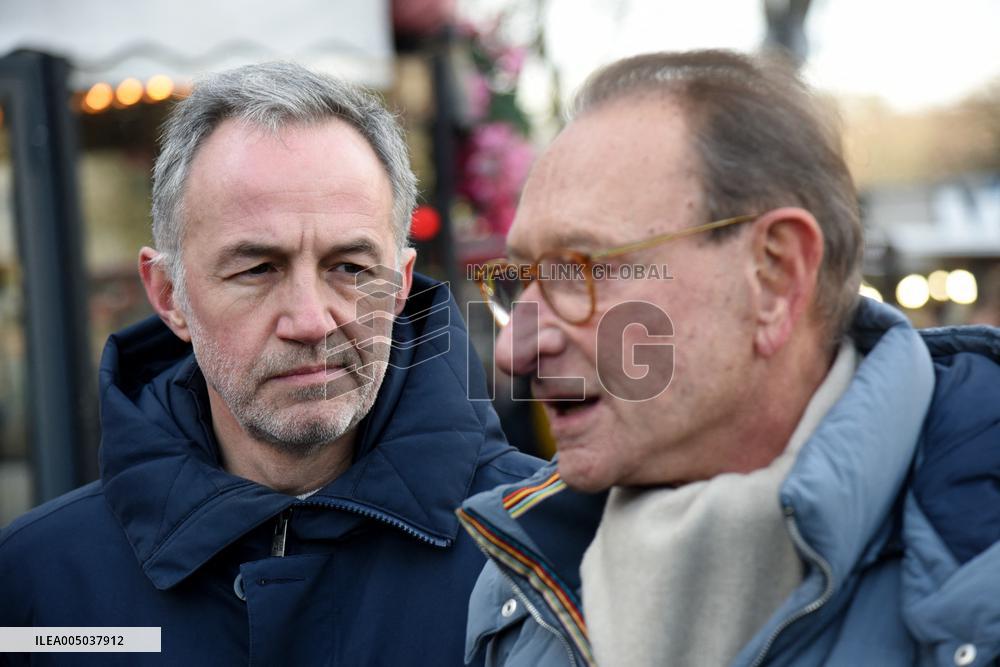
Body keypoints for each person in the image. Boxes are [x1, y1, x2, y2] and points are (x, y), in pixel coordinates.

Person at [457, 50, 1000, 666]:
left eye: (583, 269)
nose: (514, 347)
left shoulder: (977, 567)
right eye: (520, 281)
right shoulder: (518, 580)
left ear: (774, 275)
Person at [0, 62, 540, 666]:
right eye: (257, 269)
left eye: (351, 269)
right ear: (169, 294)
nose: (310, 321)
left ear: (400, 286)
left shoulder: (548, 545)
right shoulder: (39, 584)